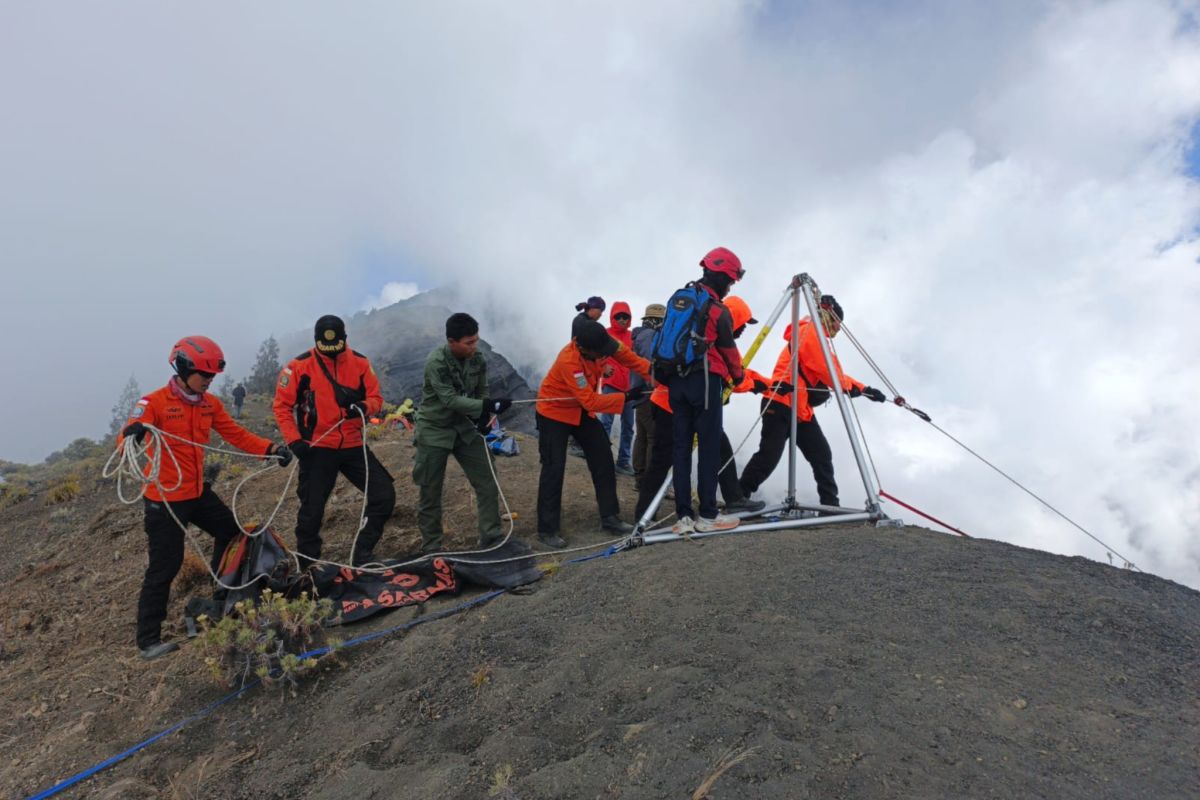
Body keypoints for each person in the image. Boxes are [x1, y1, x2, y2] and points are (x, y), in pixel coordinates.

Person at [117, 336, 291, 660]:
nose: (209, 382)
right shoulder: (153, 402)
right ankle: (148, 640)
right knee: (165, 566)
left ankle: (220, 596)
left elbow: (235, 433)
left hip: (197, 493)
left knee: (232, 533)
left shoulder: (210, 404)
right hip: (165, 499)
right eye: (204, 375)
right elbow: (127, 437)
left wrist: (270, 449)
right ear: (183, 369)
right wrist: (135, 433)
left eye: (212, 377)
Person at [738, 296, 886, 508]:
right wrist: (858, 389)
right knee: (769, 456)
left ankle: (830, 505)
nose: (838, 330)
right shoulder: (810, 333)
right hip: (780, 402)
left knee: (821, 454)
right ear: (830, 318)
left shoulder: (813, 335)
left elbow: (832, 371)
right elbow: (829, 372)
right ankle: (739, 496)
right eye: (837, 324)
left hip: (800, 407)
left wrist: (863, 389)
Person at [273, 315, 395, 568]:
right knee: (311, 512)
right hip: (316, 449)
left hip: (352, 444)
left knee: (383, 494)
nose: (331, 353)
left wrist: (363, 406)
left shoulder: (360, 363)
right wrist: (294, 440)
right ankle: (308, 565)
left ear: (345, 340)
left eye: (336, 347)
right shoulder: (298, 366)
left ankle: (363, 553)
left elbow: (376, 398)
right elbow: (282, 406)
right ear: (316, 341)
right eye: (325, 348)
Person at [633, 296, 768, 521]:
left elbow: (736, 372)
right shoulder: (714, 343)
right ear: (733, 320)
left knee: (720, 449)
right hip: (673, 407)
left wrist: (765, 382)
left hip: (676, 403)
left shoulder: (704, 335)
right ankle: (644, 514)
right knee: (663, 461)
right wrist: (757, 384)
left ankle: (734, 499)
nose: (744, 329)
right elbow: (730, 377)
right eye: (743, 323)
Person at [535, 320, 652, 548]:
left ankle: (610, 517)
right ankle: (547, 529)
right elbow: (590, 400)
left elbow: (629, 357)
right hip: (554, 413)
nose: (605, 353)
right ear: (583, 349)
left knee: (603, 459)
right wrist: (626, 397)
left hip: (580, 412)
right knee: (553, 468)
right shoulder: (569, 361)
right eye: (600, 354)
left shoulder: (603, 342)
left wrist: (653, 371)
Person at [663, 247, 747, 535]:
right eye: (731, 281)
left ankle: (684, 517)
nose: (730, 287)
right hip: (705, 381)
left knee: (681, 447)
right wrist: (738, 376)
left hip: (676, 381)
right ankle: (709, 515)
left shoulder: (679, 298)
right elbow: (728, 349)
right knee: (709, 447)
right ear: (724, 277)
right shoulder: (716, 309)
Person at [413, 313, 511, 554]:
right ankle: (432, 548)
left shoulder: (478, 358)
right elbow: (448, 399)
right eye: (469, 342)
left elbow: (482, 389)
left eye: (476, 340)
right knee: (430, 490)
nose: (474, 346)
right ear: (451, 341)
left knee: (487, 479)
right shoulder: (436, 362)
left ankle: (491, 537)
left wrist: (483, 417)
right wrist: (485, 407)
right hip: (434, 428)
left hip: (463, 428)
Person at [597, 301, 637, 475]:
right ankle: (603, 459)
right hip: (611, 385)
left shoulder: (632, 337)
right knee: (606, 422)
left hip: (630, 388)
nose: (622, 319)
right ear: (613, 317)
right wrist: (602, 370)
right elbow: (595, 357)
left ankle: (623, 462)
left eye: (625, 316)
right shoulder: (604, 334)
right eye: (618, 316)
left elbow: (637, 359)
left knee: (628, 425)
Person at [630, 303, 666, 476]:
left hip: (639, 391)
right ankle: (650, 477)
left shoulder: (641, 335)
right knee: (653, 436)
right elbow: (648, 362)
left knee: (642, 435)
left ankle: (640, 475)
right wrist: (656, 383)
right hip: (647, 393)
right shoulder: (650, 335)